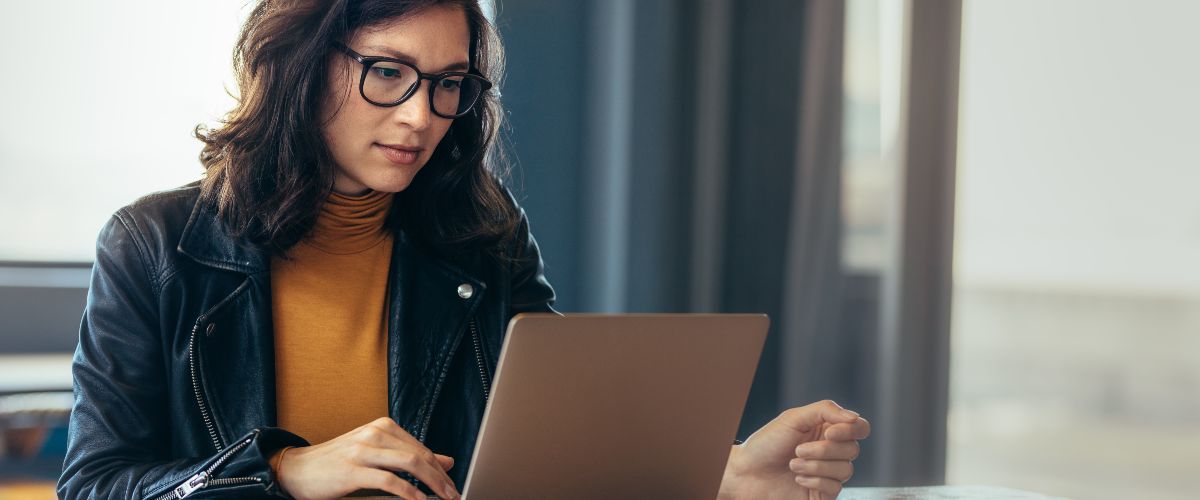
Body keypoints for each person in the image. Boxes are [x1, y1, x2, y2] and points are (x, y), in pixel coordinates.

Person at [56, 1, 871, 499]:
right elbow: (94, 487)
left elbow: (557, 450)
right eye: (388, 73)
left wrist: (717, 477)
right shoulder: (156, 246)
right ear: (302, 64)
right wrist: (284, 475)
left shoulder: (482, 234)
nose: (421, 115)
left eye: (449, 83)